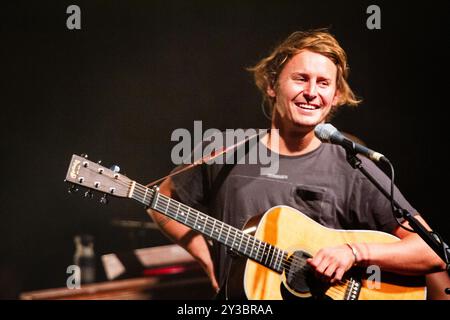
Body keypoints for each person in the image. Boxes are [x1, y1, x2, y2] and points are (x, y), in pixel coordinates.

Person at [147, 29, 446, 298]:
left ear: (336, 95)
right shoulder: (224, 151)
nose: (312, 93)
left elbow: (432, 253)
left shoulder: (351, 164)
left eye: (324, 83)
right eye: (301, 78)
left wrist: (354, 252)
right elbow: (161, 200)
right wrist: (208, 260)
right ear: (271, 85)